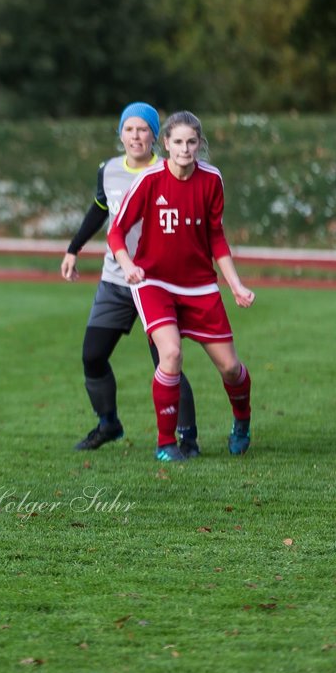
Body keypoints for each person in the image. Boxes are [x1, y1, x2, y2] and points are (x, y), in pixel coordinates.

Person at [107, 111, 255, 461]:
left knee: (231, 369)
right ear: (166, 145)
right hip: (154, 283)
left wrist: (235, 285)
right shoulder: (148, 180)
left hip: (200, 286)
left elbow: (216, 236)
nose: (185, 149)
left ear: (200, 145)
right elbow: (116, 230)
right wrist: (128, 265)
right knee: (170, 354)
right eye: (177, 142)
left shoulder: (212, 180)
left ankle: (242, 422)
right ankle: (165, 442)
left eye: (191, 142)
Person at [61, 102, 199, 455]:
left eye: (143, 129)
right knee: (93, 355)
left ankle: (187, 438)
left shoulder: (170, 169)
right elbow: (99, 209)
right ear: (120, 133)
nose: (135, 136)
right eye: (129, 129)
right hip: (116, 280)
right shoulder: (108, 169)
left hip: (158, 284)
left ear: (156, 136)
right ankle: (108, 423)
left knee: (167, 361)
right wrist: (73, 249)